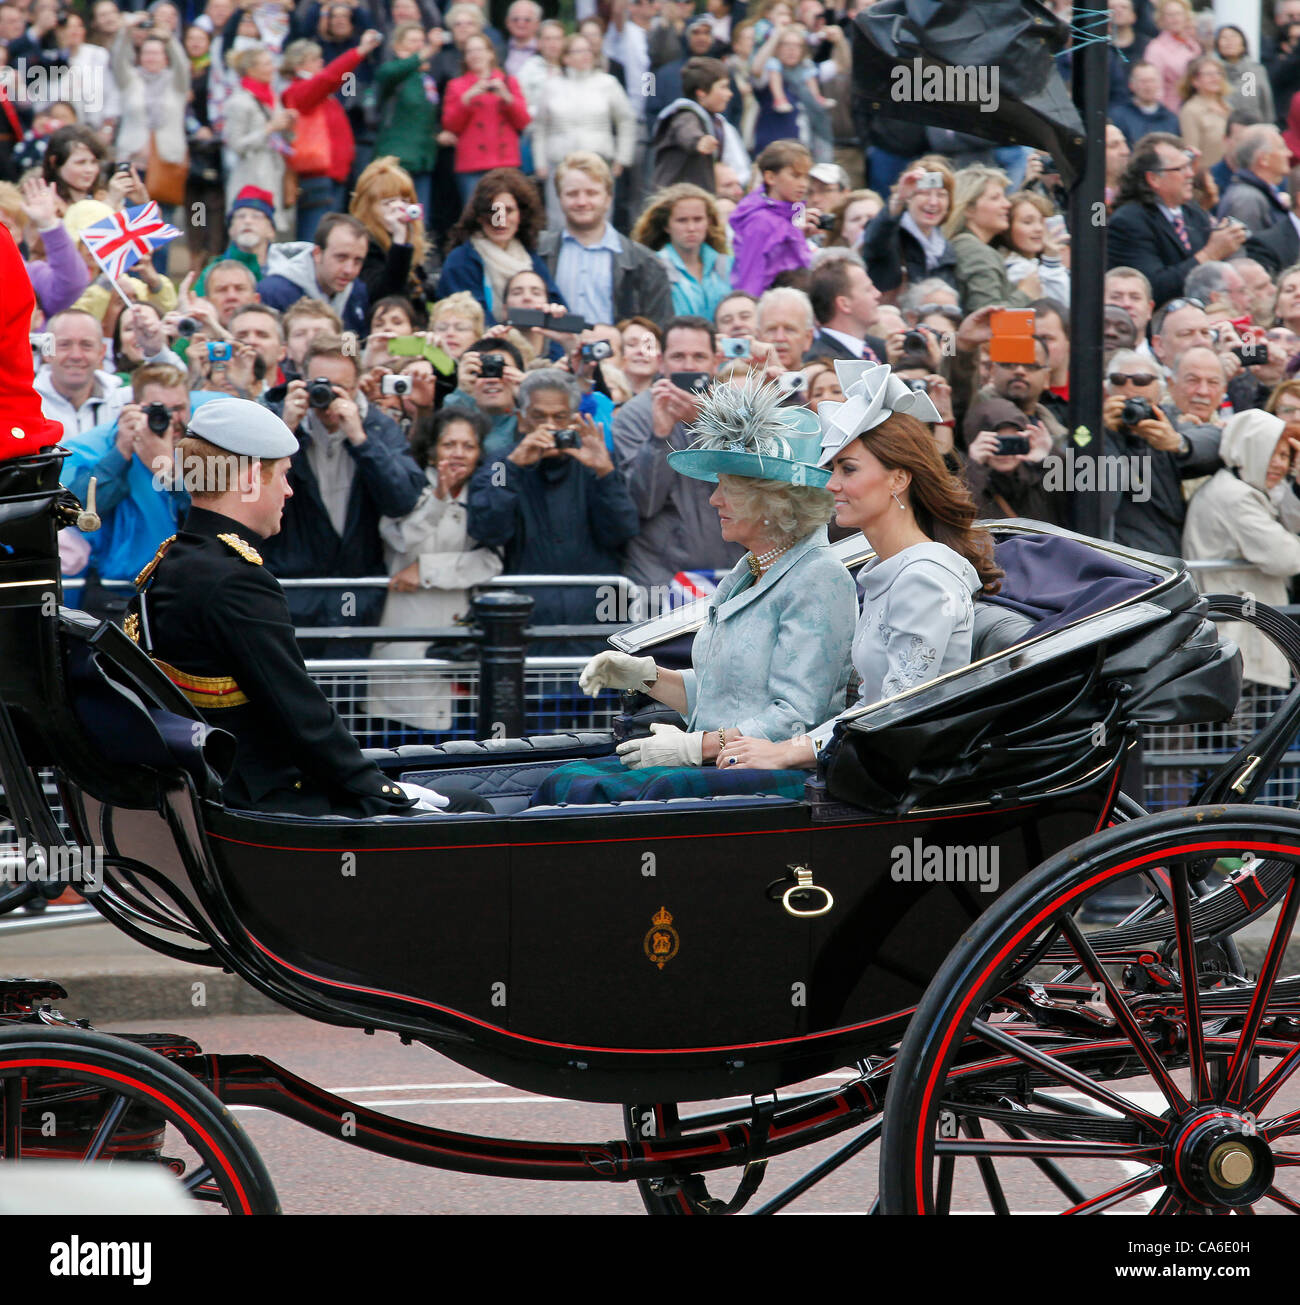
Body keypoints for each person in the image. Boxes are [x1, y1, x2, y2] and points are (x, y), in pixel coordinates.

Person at [131, 397, 488, 816]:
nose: (288, 489)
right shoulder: (235, 579)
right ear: (249, 479)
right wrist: (381, 789)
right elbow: (299, 713)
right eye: (281, 475)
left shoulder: (169, 561)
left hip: (210, 789)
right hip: (261, 804)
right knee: (469, 806)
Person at [544, 373, 857, 801]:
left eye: (729, 489)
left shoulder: (820, 578)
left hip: (769, 778)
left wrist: (697, 747)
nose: (714, 501)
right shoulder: (747, 571)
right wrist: (647, 676)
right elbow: (724, 694)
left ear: (776, 502)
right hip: (727, 766)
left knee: (594, 793)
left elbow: (796, 720)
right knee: (565, 780)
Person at [708, 361, 1002, 772]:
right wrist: (788, 747)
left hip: (898, 783)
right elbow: (868, 706)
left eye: (848, 470)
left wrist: (788, 751)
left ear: (898, 479)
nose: (831, 485)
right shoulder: (892, 570)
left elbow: (894, 711)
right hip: (865, 765)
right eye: (832, 470)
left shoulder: (924, 578)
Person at [262, 335, 426, 636]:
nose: (328, 398)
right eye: (320, 385)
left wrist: (361, 441)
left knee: (347, 682)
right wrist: (285, 433)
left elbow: (402, 500)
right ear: (303, 382)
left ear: (357, 387)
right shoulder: (275, 424)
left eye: (341, 388)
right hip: (292, 594)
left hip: (357, 597)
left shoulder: (378, 428)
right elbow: (250, 499)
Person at [465, 367, 639, 649]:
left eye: (559, 417)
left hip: (594, 619)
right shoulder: (500, 463)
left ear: (574, 420)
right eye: (538, 416)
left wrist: (606, 473)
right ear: (521, 419)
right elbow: (487, 529)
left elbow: (622, 531)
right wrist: (513, 466)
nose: (549, 425)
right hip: (527, 620)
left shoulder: (597, 458)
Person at [367, 405, 503, 733]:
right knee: (402, 744)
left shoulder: (486, 496)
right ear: (431, 450)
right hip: (404, 627)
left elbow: (490, 561)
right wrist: (439, 498)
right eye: (449, 444)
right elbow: (402, 540)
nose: (458, 454)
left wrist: (427, 570)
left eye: (468, 446)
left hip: (459, 635)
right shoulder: (407, 487)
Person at [614, 314, 741, 595]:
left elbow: (756, 481)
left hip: (733, 573)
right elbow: (642, 504)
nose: (688, 365)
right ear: (661, 361)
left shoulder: (739, 409)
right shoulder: (634, 414)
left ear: (715, 361)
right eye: (678, 356)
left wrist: (709, 422)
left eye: (698, 356)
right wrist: (659, 436)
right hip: (659, 578)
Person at [59, 362, 196, 620]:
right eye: (159, 410)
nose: (171, 419)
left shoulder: (200, 448)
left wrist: (168, 469)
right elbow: (77, 513)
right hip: (119, 594)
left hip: (183, 589)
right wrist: (121, 452)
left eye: (179, 408)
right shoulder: (106, 445)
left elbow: (211, 511)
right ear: (134, 406)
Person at [1182, 408, 1300, 693]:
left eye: (1285, 457)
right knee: (1243, 736)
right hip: (1242, 648)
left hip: (1245, 643)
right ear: (1250, 449)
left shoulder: (1247, 490)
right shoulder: (1235, 496)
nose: (1279, 465)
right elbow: (1288, 558)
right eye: (1272, 453)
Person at [1101, 347, 1223, 556]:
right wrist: (1106, 434)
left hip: (1167, 557)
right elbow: (1100, 499)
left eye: (1142, 404)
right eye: (1125, 405)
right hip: (1122, 561)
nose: (1134, 413)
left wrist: (1177, 442)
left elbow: (1216, 441)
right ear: (1107, 393)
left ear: (1159, 395)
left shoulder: (1168, 423)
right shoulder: (1091, 433)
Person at [1107, 133, 1247, 309]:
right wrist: (1210, 254)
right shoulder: (1129, 221)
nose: (1190, 174)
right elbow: (1152, 288)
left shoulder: (1194, 212)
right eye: (1180, 169)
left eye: (1189, 166)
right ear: (1154, 179)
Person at [535, 151, 672, 328]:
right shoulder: (538, 252)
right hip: (552, 354)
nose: (582, 202)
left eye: (591, 193)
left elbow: (658, 330)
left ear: (608, 198)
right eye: (572, 194)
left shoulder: (645, 263)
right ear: (560, 198)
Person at [281, 29, 385, 240]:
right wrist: (360, 51)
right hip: (317, 176)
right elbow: (330, 77)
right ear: (298, 64)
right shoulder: (299, 91)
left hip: (333, 175)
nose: (321, 62)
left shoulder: (317, 92)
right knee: (316, 236)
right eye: (315, 59)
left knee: (327, 235)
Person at [532, 30, 636, 224]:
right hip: (560, 163)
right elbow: (540, 128)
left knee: (599, 218)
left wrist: (622, 158)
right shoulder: (551, 86)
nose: (586, 55)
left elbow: (626, 120)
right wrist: (540, 163)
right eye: (578, 51)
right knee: (559, 220)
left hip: (598, 161)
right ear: (566, 57)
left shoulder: (607, 83)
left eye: (588, 50)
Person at [436, 167, 564, 324]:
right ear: (478, 216)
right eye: (492, 211)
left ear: (521, 215)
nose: (500, 220)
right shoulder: (460, 262)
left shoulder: (532, 259)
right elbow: (473, 324)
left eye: (508, 210)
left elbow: (560, 317)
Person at [441, 32, 531, 204]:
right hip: (472, 163)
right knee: (474, 215)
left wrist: (506, 97)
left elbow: (523, 121)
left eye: (479, 50)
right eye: (470, 51)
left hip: (505, 161)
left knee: (501, 214)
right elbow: (451, 125)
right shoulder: (456, 85)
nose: (475, 55)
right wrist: (467, 98)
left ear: (490, 53)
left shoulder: (508, 81)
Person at [728, 138, 818, 297]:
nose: (803, 184)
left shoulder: (794, 211)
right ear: (770, 178)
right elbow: (750, 278)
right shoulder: (760, 222)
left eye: (806, 177)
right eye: (795, 176)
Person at [259, 212, 373, 338]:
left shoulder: (356, 291)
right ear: (317, 254)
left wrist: (347, 356)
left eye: (358, 261)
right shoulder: (275, 292)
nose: (349, 270)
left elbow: (350, 341)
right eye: (341, 257)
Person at [631, 183, 733, 320]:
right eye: (682, 220)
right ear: (666, 225)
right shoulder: (652, 268)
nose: (691, 228)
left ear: (708, 222)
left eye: (698, 219)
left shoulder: (728, 264)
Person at [348, 156, 432, 322]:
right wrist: (400, 242)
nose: (399, 209)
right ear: (368, 208)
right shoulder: (363, 246)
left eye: (405, 201)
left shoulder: (410, 242)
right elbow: (386, 296)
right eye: (388, 203)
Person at [221, 46, 296, 226]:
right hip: (250, 176)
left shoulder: (272, 97)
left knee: (269, 228)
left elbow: (286, 138)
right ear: (251, 70)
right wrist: (269, 128)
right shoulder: (239, 102)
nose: (273, 68)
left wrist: (288, 125)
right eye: (267, 64)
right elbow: (236, 144)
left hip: (272, 172)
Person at [945, 165, 1037, 312]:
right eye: (995, 198)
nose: (1007, 204)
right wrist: (1026, 293)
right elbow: (987, 318)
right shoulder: (975, 252)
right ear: (968, 208)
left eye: (1004, 197)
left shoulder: (965, 245)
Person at [372, 23, 442, 215]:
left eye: (422, 41)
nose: (419, 45)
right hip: (396, 159)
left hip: (422, 159)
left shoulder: (424, 78)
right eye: (413, 41)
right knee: (393, 215)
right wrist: (427, 51)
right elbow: (387, 74)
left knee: (419, 219)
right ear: (397, 46)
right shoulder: (393, 72)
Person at [860, 160, 957, 297]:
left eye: (941, 195)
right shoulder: (890, 235)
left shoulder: (946, 248)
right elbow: (874, 240)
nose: (933, 202)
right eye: (924, 193)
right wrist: (899, 198)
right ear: (908, 198)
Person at [649, 54, 733, 194]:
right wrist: (698, 141)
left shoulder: (715, 121)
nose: (729, 94)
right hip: (673, 201)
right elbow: (686, 131)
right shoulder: (685, 115)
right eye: (723, 87)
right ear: (701, 93)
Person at [993, 191, 1070, 309]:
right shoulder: (1016, 269)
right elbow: (1060, 306)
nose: (1038, 229)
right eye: (1027, 222)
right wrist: (1052, 261)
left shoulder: (1036, 263)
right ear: (1007, 227)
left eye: (1042, 222)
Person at [803, 258, 887, 364]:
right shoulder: (823, 362)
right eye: (868, 289)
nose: (877, 294)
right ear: (844, 304)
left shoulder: (880, 348)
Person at [195, 187, 277, 295]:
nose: (247, 221)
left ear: (271, 230)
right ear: (231, 230)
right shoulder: (212, 272)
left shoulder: (284, 270)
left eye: (256, 216)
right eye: (241, 216)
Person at [1216, 124, 1291, 232]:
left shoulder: (1258, 194)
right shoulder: (1246, 200)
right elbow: (1248, 247)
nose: (1289, 153)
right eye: (1281, 148)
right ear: (1264, 159)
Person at [1177, 55, 1233, 169]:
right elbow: (1192, 152)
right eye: (1208, 74)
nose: (1215, 78)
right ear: (1195, 81)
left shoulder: (1228, 107)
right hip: (1208, 175)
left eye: (1218, 73)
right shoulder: (1190, 111)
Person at [1111, 60, 1183, 146]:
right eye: (1143, 81)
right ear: (1131, 85)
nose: (1148, 86)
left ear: (1160, 83)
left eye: (1152, 80)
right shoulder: (1118, 117)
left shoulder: (1171, 119)